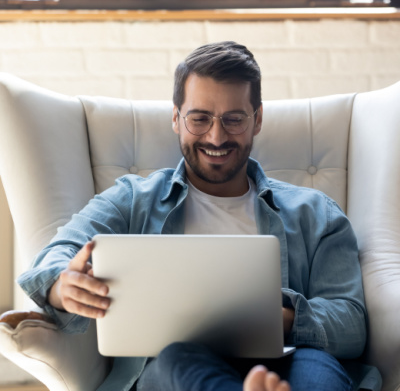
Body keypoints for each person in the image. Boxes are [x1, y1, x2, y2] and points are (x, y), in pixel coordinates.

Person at [18, 41, 370, 391]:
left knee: (319, 372)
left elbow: (352, 324)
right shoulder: (131, 199)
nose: (216, 136)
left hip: (293, 355)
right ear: (175, 118)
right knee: (174, 359)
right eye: (200, 118)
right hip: (182, 364)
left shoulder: (317, 212)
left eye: (233, 120)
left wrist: (279, 320)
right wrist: (62, 287)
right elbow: (59, 252)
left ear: (257, 120)